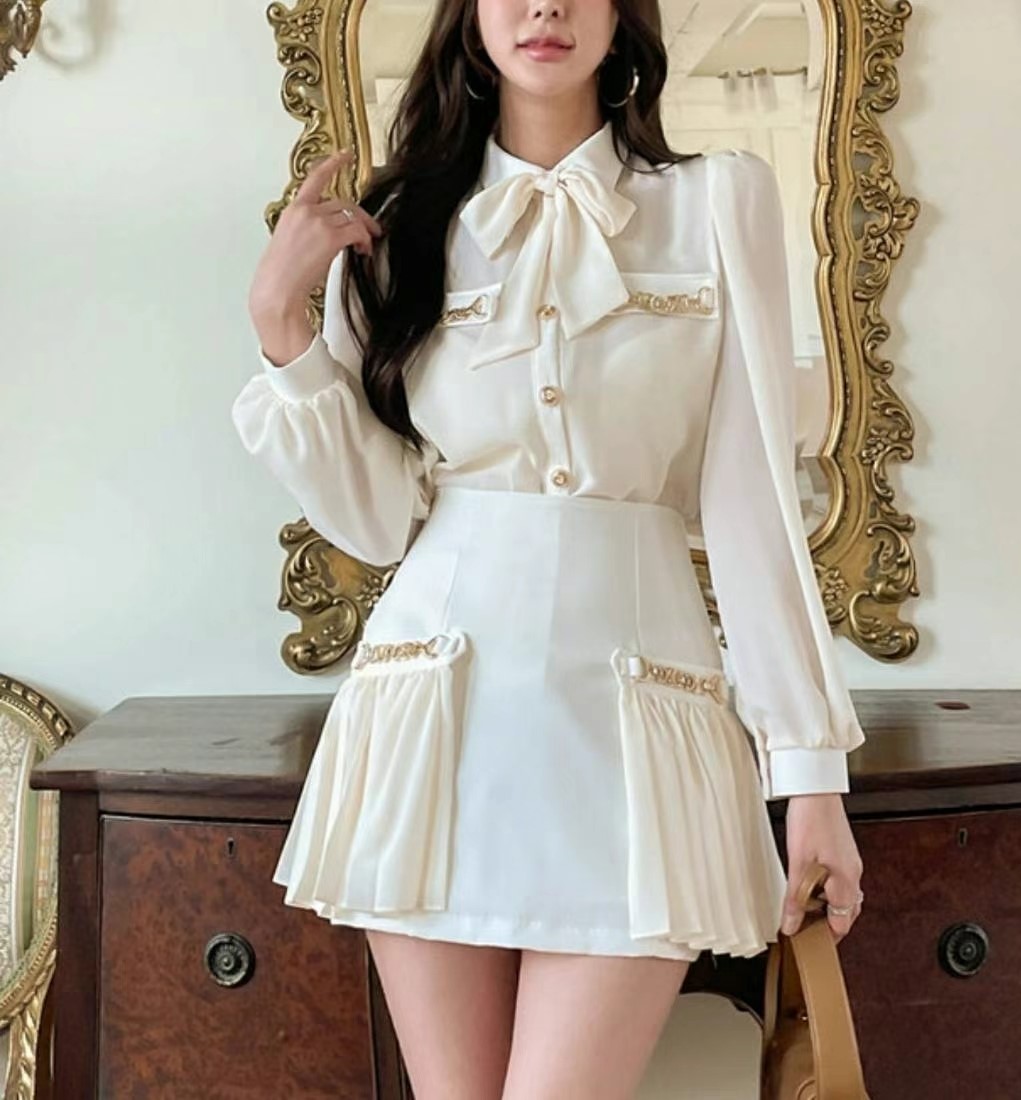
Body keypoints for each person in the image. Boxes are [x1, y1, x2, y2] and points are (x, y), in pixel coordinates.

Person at [231, 0, 866, 1095]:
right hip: (434, 718)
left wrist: (810, 772)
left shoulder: (718, 202)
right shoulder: (402, 225)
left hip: (635, 731)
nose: (544, 6)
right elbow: (378, 520)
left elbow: (755, 503)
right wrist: (281, 320)